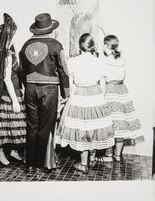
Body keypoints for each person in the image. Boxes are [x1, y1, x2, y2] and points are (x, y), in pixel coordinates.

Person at [56, 33, 114, 173]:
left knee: (82, 127)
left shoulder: (73, 62)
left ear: (80, 46)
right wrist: (102, 98)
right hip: (96, 94)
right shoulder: (99, 61)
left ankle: (84, 164)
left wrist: (66, 99)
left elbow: (70, 84)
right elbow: (102, 83)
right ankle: (92, 159)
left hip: (80, 95)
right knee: (94, 126)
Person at [19, 13, 70, 171]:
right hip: (49, 90)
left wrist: (26, 87)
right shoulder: (56, 45)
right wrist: (66, 93)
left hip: (30, 89)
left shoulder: (25, 45)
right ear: (50, 29)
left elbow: (21, 71)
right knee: (45, 127)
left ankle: (30, 164)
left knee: (32, 126)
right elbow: (63, 71)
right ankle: (42, 163)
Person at [0, 13, 26, 165]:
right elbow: (6, 79)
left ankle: (13, 150)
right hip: (7, 93)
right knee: (3, 125)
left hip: (9, 91)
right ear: (8, 36)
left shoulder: (3, 53)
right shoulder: (6, 54)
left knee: (12, 124)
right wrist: (15, 100)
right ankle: (0, 152)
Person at [102, 35, 144, 162]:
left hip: (110, 91)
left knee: (109, 124)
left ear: (105, 45)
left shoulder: (105, 60)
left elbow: (103, 80)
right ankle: (118, 155)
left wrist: (101, 96)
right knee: (121, 125)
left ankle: (108, 155)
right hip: (122, 91)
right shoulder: (122, 58)